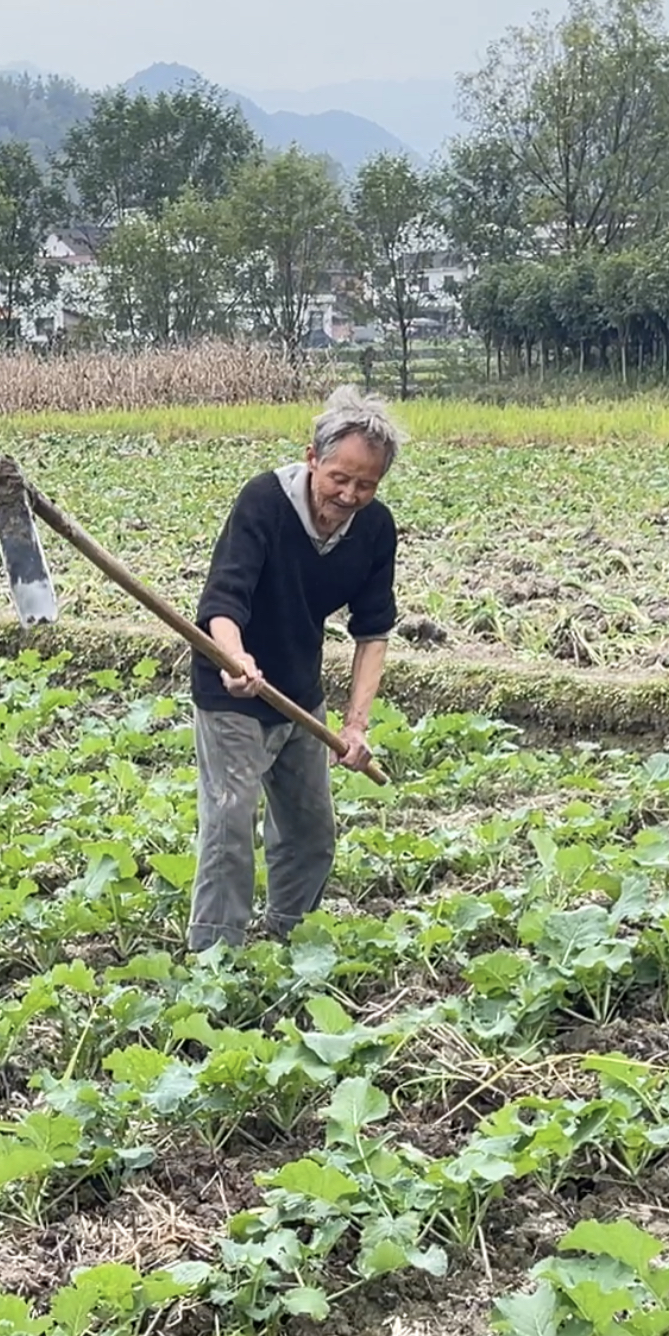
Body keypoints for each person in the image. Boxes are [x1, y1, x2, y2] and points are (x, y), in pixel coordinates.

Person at [187, 387, 403, 952]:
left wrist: (356, 725)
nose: (349, 494)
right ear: (313, 458)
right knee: (231, 822)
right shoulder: (263, 502)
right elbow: (223, 601)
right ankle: (216, 954)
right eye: (339, 477)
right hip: (232, 689)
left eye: (366, 484)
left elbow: (372, 630)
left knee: (311, 829)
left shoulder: (375, 530)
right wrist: (235, 657)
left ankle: (289, 937)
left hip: (299, 692)